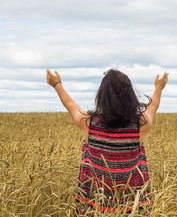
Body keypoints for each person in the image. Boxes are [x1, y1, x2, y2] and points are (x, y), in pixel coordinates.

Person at [46, 68, 168, 215]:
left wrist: (57, 84)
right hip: (132, 208)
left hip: (95, 207)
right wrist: (158, 87)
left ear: (102, 96)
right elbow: (153, 107)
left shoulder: (88, 122)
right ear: (130, 96)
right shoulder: (140, 124)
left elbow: (71, 105)